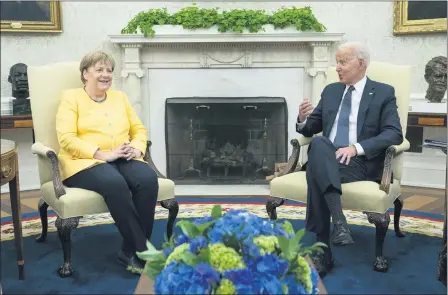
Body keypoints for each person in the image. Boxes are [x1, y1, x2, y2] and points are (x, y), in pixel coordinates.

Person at [296, 42, 403, 277]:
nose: (337, 67)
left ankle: (324, 251)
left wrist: (356, 148)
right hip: (328, 157)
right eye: (337, 62)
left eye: (343, 62)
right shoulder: (331, 91)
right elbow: (311, 128)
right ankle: (339, 223)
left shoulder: (383, 92)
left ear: (360, 64)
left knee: (316, 170)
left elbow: (394, 133)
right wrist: (303, 119)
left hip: (360, 163)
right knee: (320, 143)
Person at [55, 51, 159, 274]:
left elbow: (138, 129)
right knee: (114, 183)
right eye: (99, 70)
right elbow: (66, 138)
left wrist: (137, 147)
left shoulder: (119, 97)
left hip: (122, 155)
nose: (105, 75)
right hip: (84, 162)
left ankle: (128, 251)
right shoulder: (71, 98)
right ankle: (144, 250)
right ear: (85, 74)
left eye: (109, 70)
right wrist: (102, 154)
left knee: (148, 178)